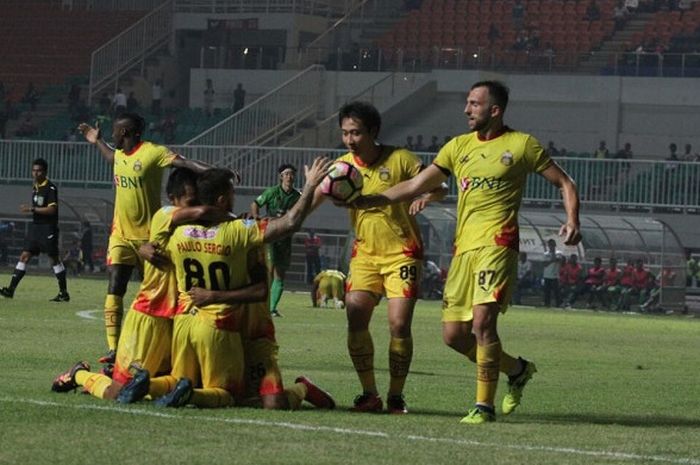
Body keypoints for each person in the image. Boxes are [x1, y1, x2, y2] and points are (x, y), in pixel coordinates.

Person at [353, 81, 581, 424]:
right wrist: (375, 198)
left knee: (482, 324)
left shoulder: (521, 145)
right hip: (464, 249)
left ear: (495, 110)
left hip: (498, 244)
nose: (466, 109)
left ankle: (483, 406)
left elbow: (565, 182)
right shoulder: (457, 147)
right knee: (453, 336)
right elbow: (416, 184)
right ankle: (517, 370)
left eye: (474, 103)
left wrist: (572, 219)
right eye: (467, 102)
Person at [140, 159, 334, 408]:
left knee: (260, 401)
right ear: (222, 200)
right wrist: (309, 187)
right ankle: (155, 387)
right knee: (231, 395)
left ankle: (302, 388)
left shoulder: (176, 231)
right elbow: (290, 223)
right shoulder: (241, 230)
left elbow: (151, 248)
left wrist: (141, 247)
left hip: (245, 328)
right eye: (232, 194)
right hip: (219, 325)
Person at [50, 168, 238, 402]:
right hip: (148, 317)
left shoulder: (196, 228)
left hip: (177, 321)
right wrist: (237, 218)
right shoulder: (165, 215)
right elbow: (202, 211)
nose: (194, 209)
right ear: (173, 199)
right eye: (189, 202)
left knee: (167, 385)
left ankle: (109, 373)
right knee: (119, 393)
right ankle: (80, 374)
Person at [312, 101, 447, 415]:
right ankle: (369, 393)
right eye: (345, 133)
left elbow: (438, 184)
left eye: (356, 132)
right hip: (365, 255)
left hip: (403, 253)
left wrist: (427, 196)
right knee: (355, 318)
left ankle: (396, 395)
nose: (349, 139)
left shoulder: (400, 158)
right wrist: (291, 213)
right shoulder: (343, 168)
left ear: (373, 131)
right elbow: (316, 197)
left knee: (399, 325)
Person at [78, 112, 213, 366]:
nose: (114, 136)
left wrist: (216, 173)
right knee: (115, 284)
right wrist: (97, 141)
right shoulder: (119, 154)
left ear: (125, 132)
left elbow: (185, 163)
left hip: (150, 239)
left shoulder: (152, 152)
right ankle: (113, 348)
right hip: (121, 234)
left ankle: (172, 344)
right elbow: (111, 156)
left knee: (157, 293)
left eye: (116, 132)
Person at [0, 159, 70, 301]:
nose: (35, 173)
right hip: (35, 228)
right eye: (34, 170)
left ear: (45, 172)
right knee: (24, 256)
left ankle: (63, 293)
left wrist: (32, 209)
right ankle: (10, 289)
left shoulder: (50, 188)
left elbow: (52, 209)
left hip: (48, 228)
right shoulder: (35, 187)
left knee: (54, 260)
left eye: (38, 170)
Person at [250, 164, 301, 317]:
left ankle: (271, 308)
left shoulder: (298, 196)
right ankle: (262, 307)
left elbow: (302, 212)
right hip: (271, 235)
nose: (289, 177)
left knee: (280, 273)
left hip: (285, 238)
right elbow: (255, 204)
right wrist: (256, 218)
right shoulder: (272, 192)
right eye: (286, 174)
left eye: (292, 174)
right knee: (269, 271)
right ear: (281, 177)